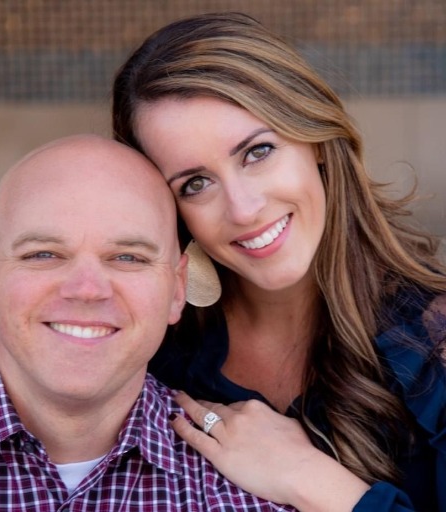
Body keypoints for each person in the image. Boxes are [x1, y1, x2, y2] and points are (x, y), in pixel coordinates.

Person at [112, 12, 446, 512]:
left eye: (258, 152)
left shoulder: (434, 341)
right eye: (195, 184)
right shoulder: (155, 354)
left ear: (315, 140)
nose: (243, 209)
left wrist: (310, 480)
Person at [0, 134, 296, 511]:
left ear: (177, 289)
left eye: (128, 258)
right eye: (43, 254)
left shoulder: (251, 488)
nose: (87, 290)